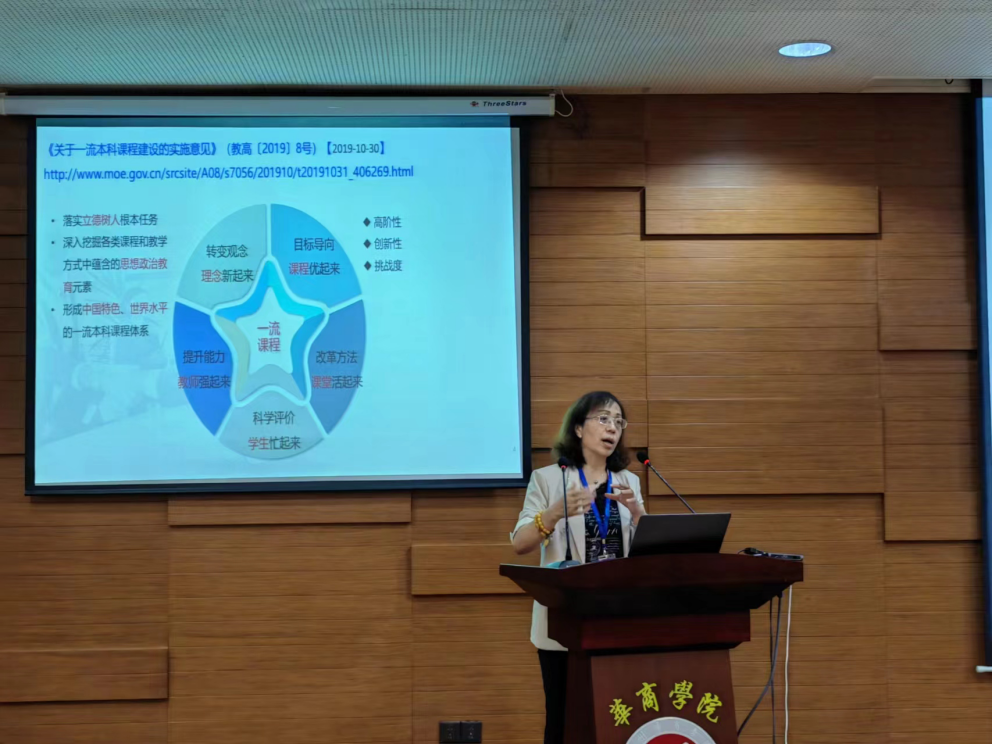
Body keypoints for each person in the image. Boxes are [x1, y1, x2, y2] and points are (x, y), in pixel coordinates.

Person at [510, 391, 646, 744]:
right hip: (565, 622)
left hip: (617, 619)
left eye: (618, 421)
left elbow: (645, 551)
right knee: (564, 721)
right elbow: (521, 543)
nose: (612, 427)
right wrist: (555, 512)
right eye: (603, 418)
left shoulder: (628, 481)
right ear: (578, 428)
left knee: (617, 719)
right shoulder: (547, 479)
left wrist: (638, 515)